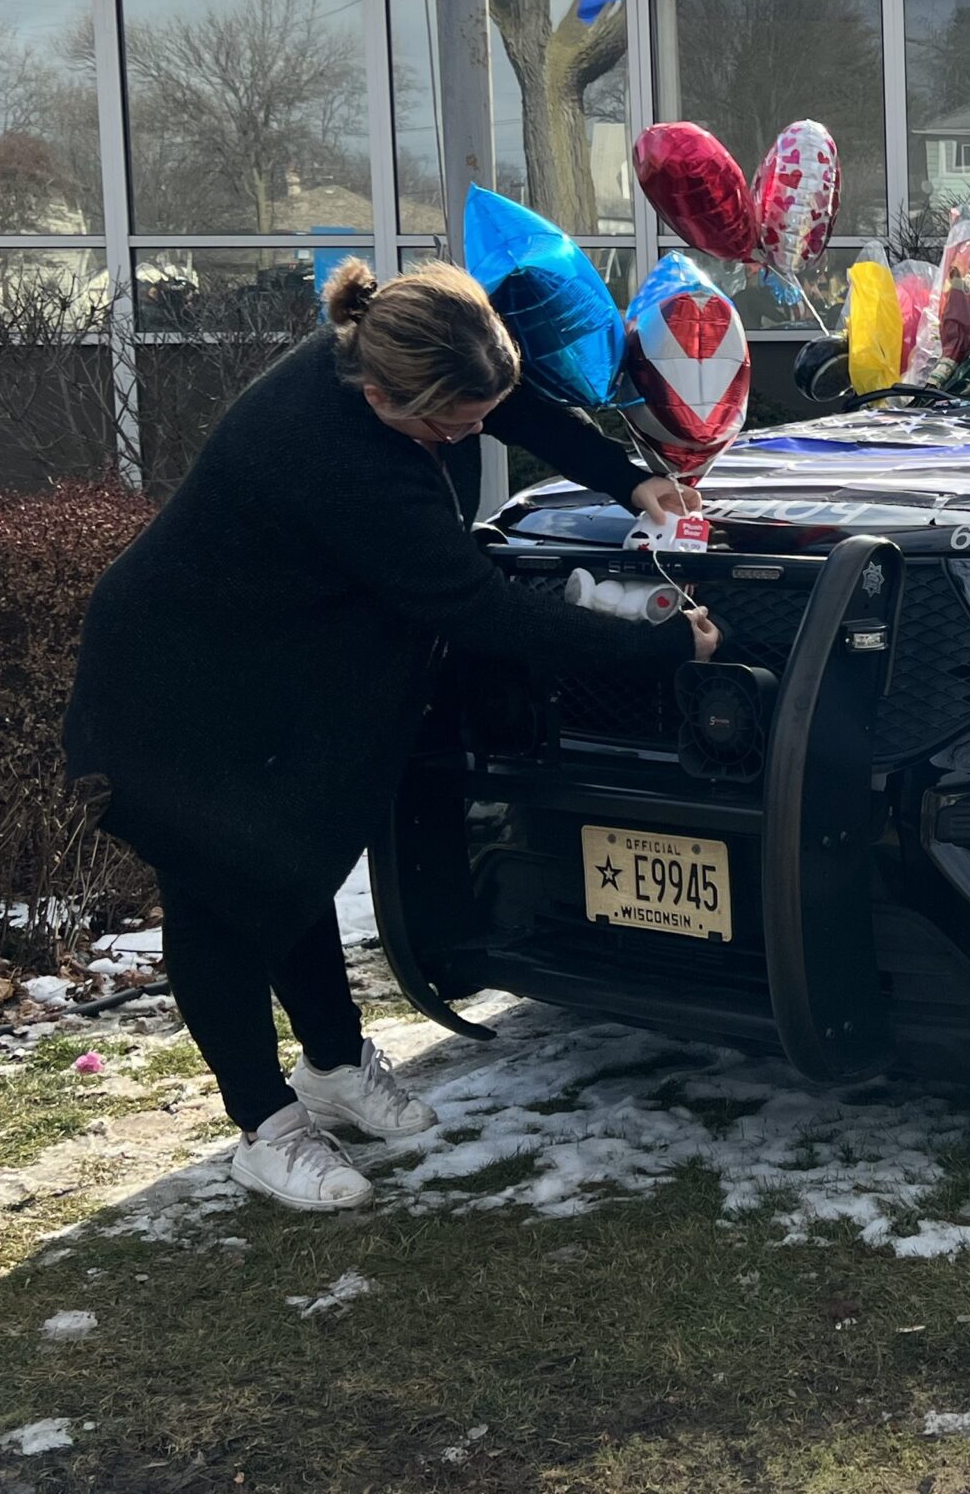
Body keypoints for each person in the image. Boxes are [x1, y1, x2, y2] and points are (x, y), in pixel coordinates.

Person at [65, 259, 717, 1212]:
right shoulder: (342, 461)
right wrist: (660, 651)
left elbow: (507, 402)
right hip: (171, 693)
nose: (465, 436)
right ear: (383, 397)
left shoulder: (399, 363)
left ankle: (331, 1066)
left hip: (267, 664)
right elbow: (484, 608)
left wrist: (632, 481)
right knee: (221, 891)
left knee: (289, 860)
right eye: (447, 427)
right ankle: (264, 1125)